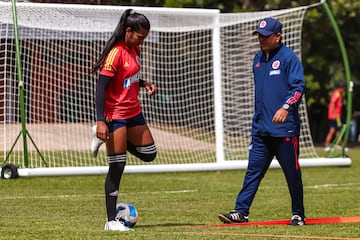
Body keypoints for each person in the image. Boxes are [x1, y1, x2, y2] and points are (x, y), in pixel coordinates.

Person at [218, 18, 306, 226]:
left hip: (285, 130)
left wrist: (285, 108)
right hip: (260, 130)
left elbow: (298, 87)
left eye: (265, 36)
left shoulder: (289, 58)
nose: (261, 39)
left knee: (292, 174)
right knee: (252, 173)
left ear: (278, 36)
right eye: (259, 35)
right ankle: (240, 212)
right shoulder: (257, 59)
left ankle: (298, 214)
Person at [91, 9, 157, 231]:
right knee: (118, 165)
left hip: (134, 112)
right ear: (128, 31)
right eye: (140, 36)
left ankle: (107, 139)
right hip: (115, 114)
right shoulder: (115, 53)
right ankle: (111, 221)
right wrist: (101, 121)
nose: (143, 40)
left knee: (150, 153)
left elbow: (130, 77)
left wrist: (144, 83)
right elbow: (101, 87)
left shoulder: (135, 48)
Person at [324, 82, 346, 151]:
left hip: (337, 116)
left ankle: (341, 145)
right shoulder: (336, 94)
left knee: (337, 131)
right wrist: (334, 114)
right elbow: (332, 103)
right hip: (334, 116)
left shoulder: (339, 94)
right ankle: (327, 145)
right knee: (334, 131)